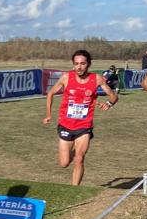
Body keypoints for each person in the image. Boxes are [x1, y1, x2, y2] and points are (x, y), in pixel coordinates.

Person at [43, 49, 118, 185]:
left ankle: (74, 189)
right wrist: (48, 114)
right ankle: (72, 153)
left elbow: (113, 95)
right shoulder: (66, 77)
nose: (79, 66)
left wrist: (109, 103)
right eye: (76, 63)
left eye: (83, 63)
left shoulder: (97, 79)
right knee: (64, 163)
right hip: (65, 124)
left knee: (79, 158)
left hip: (84, 126)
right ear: (73, 64)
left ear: (88, 64)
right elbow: (50, 93)